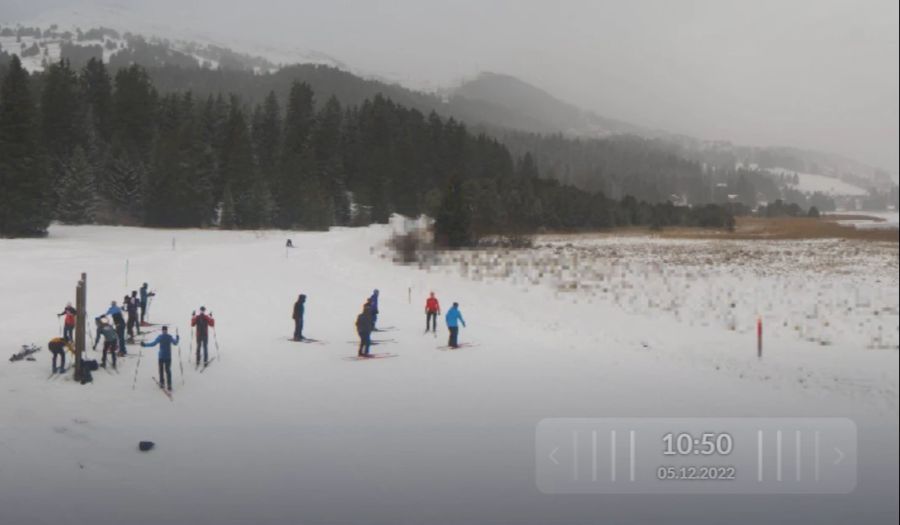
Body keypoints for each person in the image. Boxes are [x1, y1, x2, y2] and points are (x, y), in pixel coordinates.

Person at [141, 326, 179, 391]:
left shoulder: (160, 337)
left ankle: (162, 383)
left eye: (164, 330)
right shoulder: (169, 337)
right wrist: (177, 338)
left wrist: (145, 345)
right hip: (167, 357)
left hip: (161, 356)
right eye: (164, 330)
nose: (164, 331)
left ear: (163, 330)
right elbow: (175, 343)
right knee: (168, 370)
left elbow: (153, 344)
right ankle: (169, 385)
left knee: (161, 370)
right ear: (166, 330)